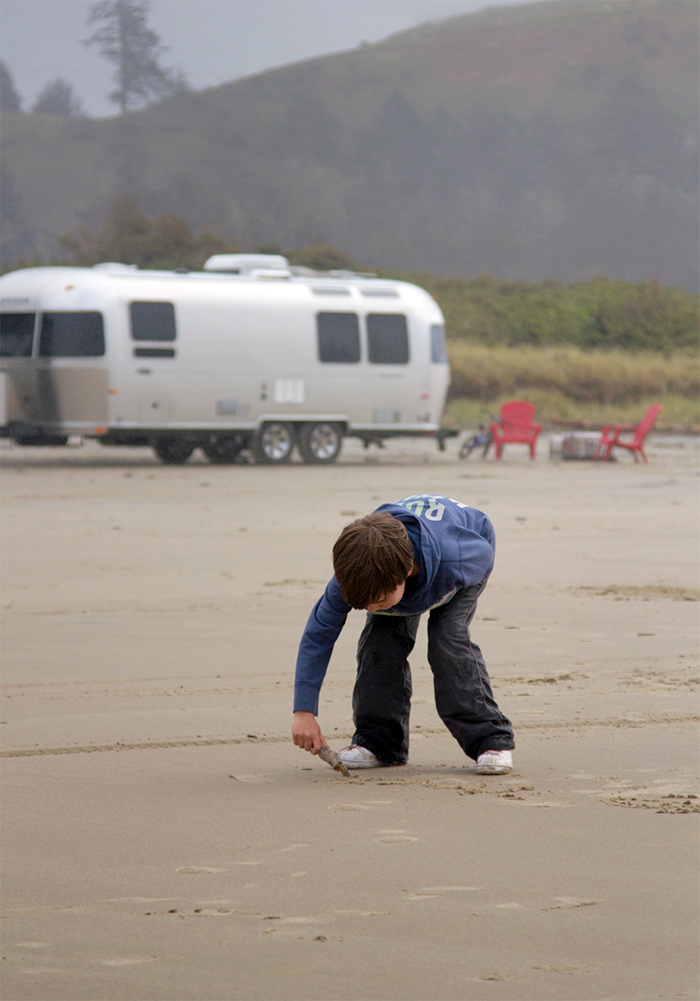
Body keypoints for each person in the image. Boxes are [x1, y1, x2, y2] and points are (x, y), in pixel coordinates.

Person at [292, 494, 515, 773]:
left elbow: (484, 554)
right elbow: (318, 635)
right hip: (398, 562)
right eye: (364, 604)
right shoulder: (354, 573)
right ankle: (380, 743)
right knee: (380, 642)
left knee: (447, 637)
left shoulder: (457, 556)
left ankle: (490, 740)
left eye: (378, 599)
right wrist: (304, 710)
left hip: (461, 554)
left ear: (407, 571)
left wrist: (433, 597)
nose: (372, 608)